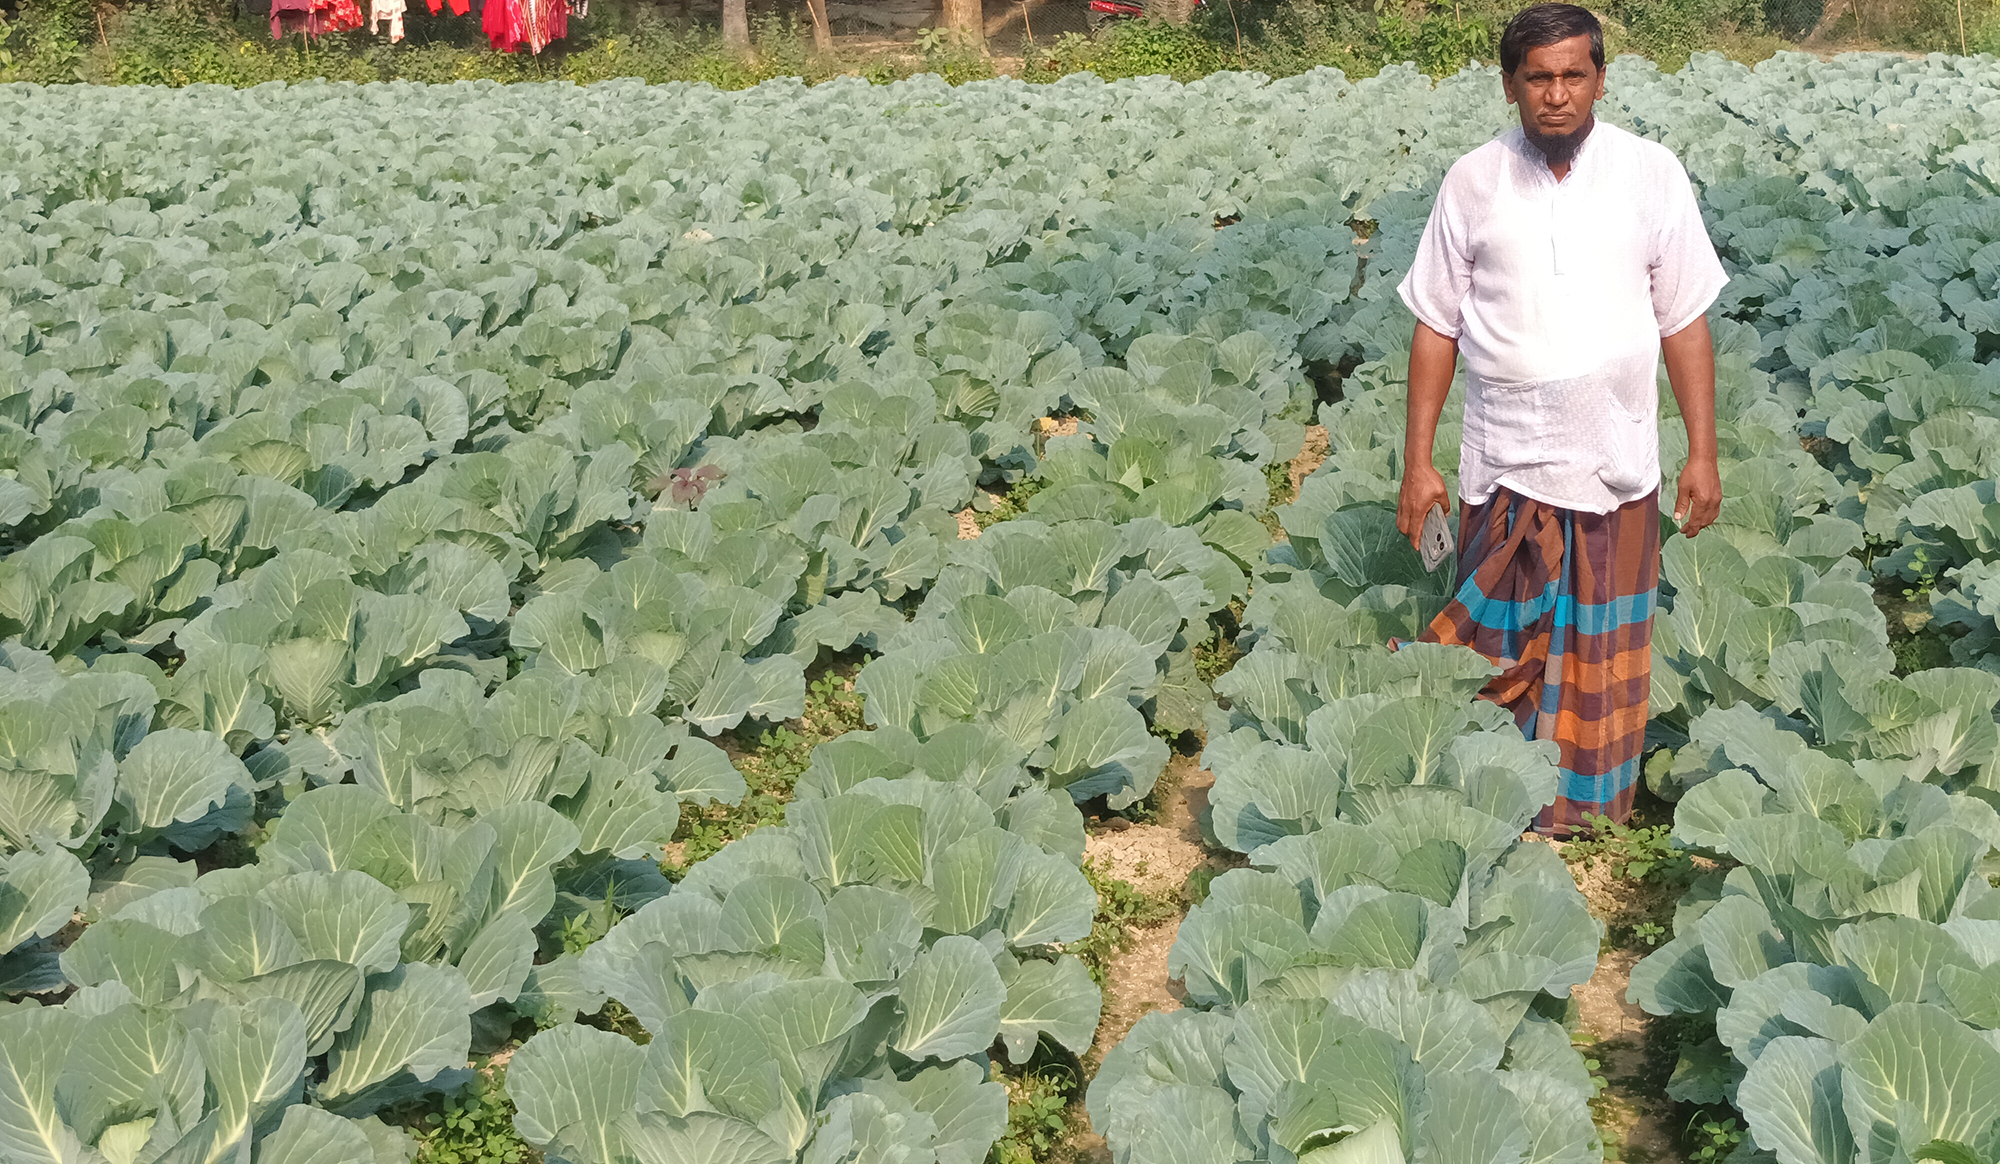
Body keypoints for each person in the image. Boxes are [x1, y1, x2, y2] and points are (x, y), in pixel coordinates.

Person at [1393, 2, 1727, 836]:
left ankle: (1585, 813)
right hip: (1505, 460)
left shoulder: (1652, 173)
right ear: (1510, 85)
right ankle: (1491, 803)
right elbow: (1435, 325)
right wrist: (1417, 463)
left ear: (1601, 80)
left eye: (1574, 75)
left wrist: (1703, 453)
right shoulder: (1473, 181)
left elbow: (1684, 320)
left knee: (1600, 655)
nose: (1556, 94)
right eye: (1537, 77)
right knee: (1500, 652)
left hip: (1616, 461)